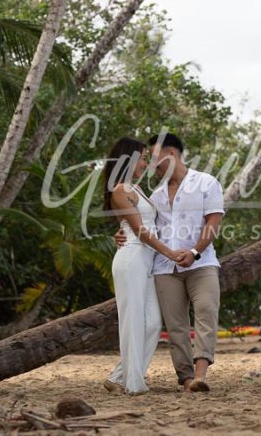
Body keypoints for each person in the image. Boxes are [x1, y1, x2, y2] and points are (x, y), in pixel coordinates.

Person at [115, 132, 225, 392]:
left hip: (201, 263)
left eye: (154, 159)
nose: (151, 166)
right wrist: (122, 232)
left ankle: (200, 376)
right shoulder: (155, 194)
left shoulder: (206, 183)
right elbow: (143, 225)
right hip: (165, 268)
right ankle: (186, 380)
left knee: (207, 312)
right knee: (175, 326)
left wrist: (195, 252)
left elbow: (213, 223)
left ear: (171, 154)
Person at [101, 137, 185, 395]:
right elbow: (139, 230)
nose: (147, 162)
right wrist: (170, 253)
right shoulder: (119, 190)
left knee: (151, 323)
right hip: (133, 258)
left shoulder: (135, 189)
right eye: (143, 157)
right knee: (132, 320)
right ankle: (133, 383)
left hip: (146, 260)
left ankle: (118, 377)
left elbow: (140, 224)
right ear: (128, 159)